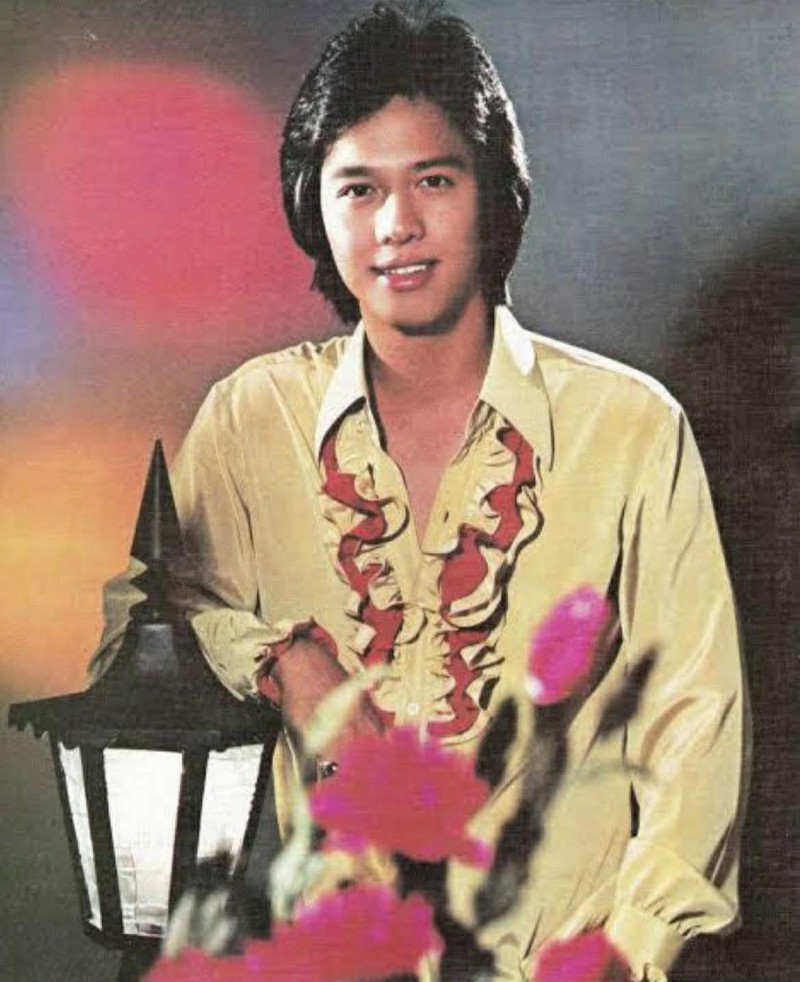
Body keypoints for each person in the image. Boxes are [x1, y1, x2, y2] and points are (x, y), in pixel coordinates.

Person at [90, 4, 749, 980]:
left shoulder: (629, 427)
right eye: (358, 188)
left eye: (433, 181)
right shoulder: (254, 417)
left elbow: (696, 720)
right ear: (312, 207)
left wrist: (626, 948)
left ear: (494, 192)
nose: (396, 225)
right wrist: (282, 661)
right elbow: (136, 635)